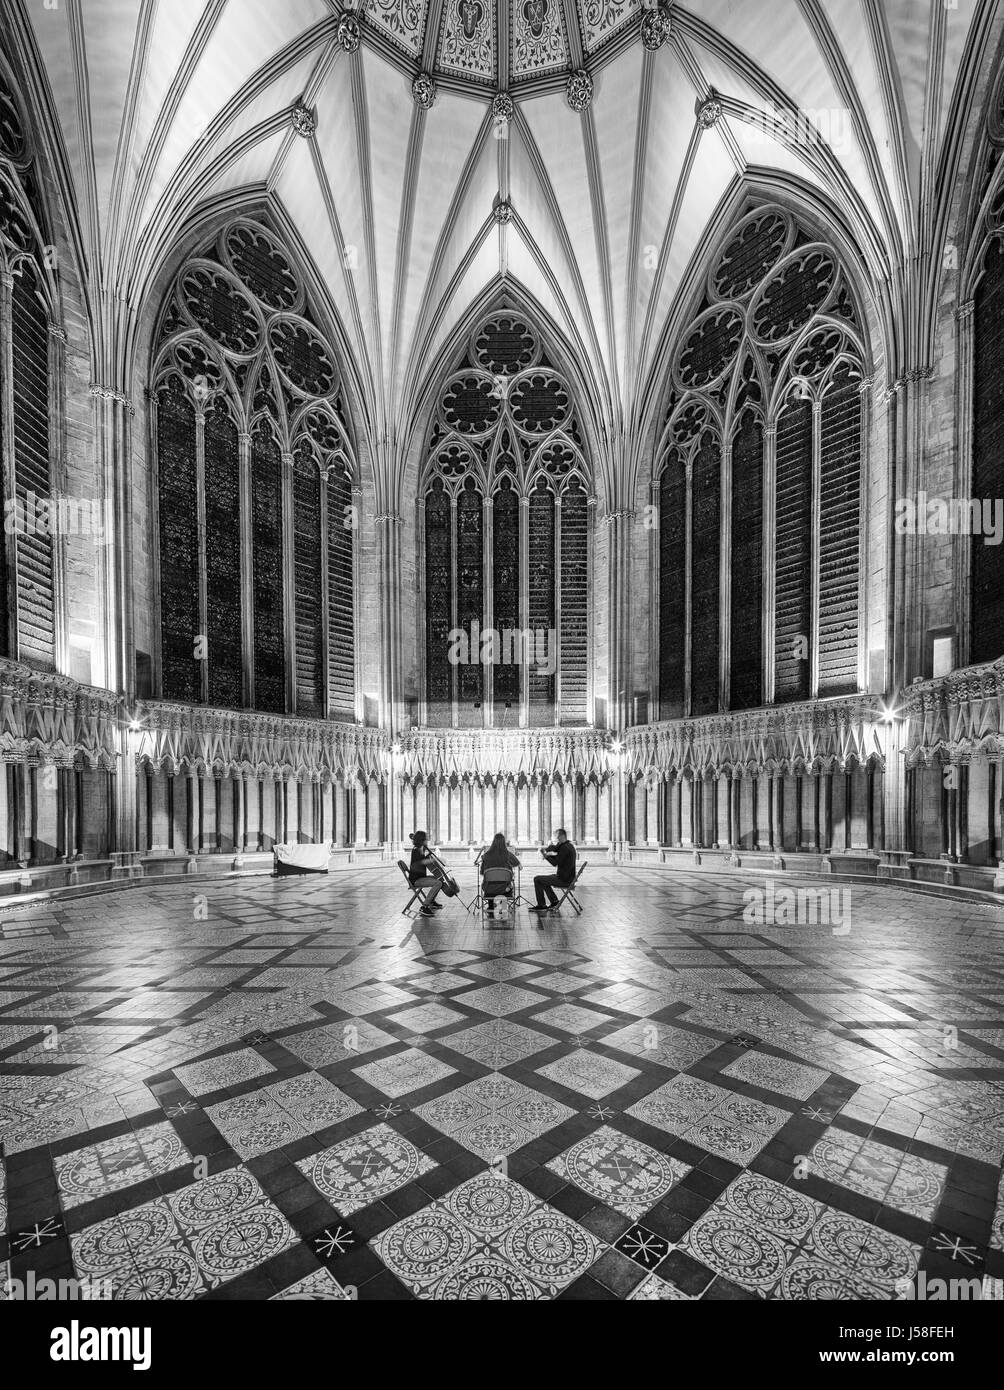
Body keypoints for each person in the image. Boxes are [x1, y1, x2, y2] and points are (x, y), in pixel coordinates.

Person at [529, 828, 576, 914]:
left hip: (564, 880)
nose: (556, 839)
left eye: (557, 837)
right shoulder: (567, 845)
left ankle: (541, 905)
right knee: (544, 880)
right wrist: (546, 849)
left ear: (562, 836)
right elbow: (554, 848)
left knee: (537, 879)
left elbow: (555, 862)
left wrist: (546, 856)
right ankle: (554, 901)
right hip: (567, 877)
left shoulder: (565, 848)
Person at [480, 831, 520, 919]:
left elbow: (482, 872)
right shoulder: (508, 855)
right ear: (504, 843)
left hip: (489, 890)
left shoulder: (486, 856)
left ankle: (491, 908)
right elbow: (517, 863)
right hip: (505, 890)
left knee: (491, 884)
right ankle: (501, 909)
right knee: (504, 884)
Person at [409, 830, 446, 918]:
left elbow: (424, 861)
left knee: (440, 878)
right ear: (421, 840)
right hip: (416, 880)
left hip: (421, 877)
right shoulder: (416, 850)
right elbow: (421, 862)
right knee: (438, 883)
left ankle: (431, 901)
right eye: (426, 839)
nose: (427, 841)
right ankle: (424, 906)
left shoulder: (421, 849)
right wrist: (434, 859)